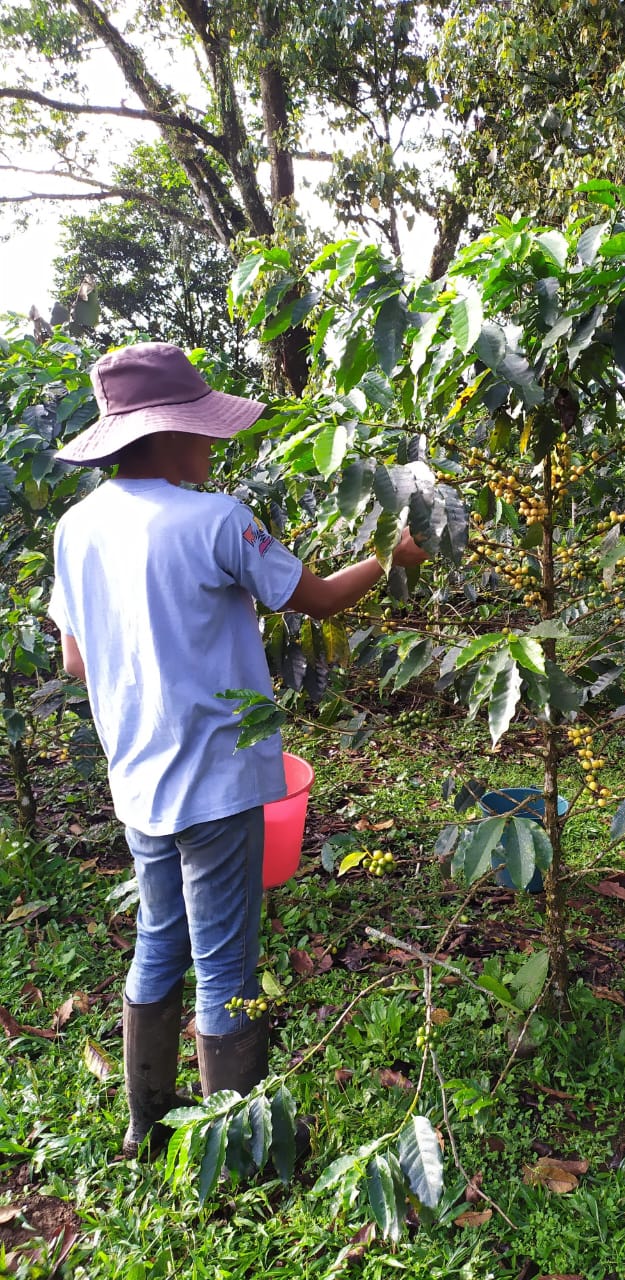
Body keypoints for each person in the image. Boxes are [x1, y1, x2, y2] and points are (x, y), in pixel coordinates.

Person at [48, 342, 428, 1157]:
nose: (214, 445)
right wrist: (392, 560)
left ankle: (144, 1124)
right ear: (166, 437)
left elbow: (76, 659)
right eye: (202, 430)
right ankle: (240, 1152)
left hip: (138, 774)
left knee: (159, 939)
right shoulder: (217, 520)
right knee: (226, 965)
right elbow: (316, 599)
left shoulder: (77, 529)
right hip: (215, 777)